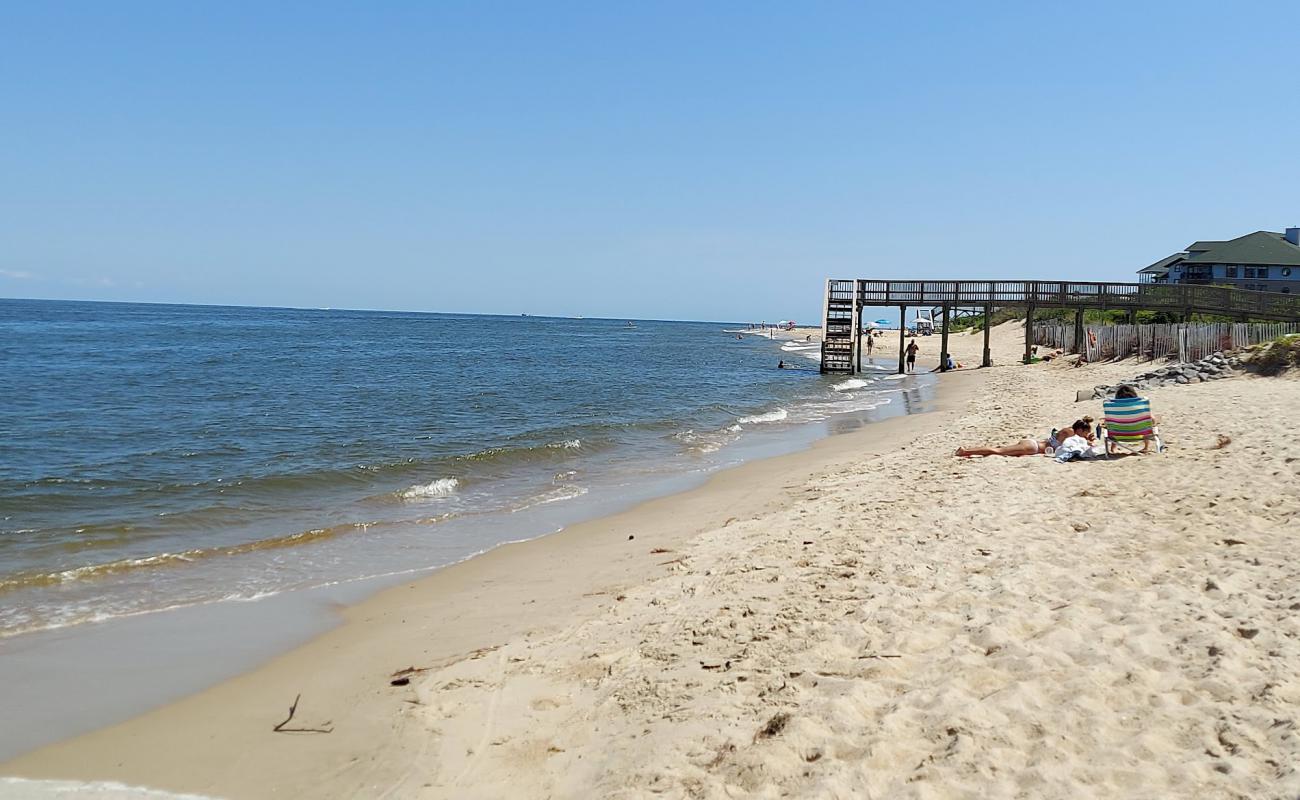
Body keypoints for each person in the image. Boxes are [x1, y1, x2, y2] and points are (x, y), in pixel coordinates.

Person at [956, 419, 1094, 458]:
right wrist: (1088, 441)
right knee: (998, 451)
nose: (1085, 436)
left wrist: (1087, 440)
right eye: (1085, 433)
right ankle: (965, 451)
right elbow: (1079, 443)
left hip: (1032, 445)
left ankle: (968, 451)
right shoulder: (1070, 432)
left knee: (1000, 451)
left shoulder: (1068, 430)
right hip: (1033, 447)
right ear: (1080, 430)